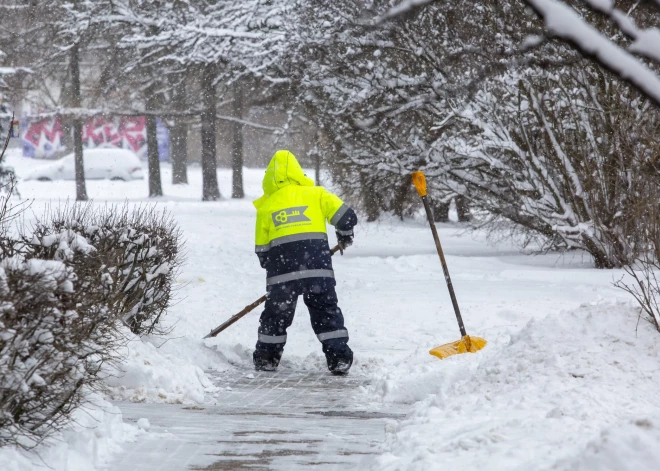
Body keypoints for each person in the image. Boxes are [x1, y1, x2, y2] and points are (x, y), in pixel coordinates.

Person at [253, 150, 358, 375]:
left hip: (281, 274)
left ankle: (266, 359)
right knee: (326, 313)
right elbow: (347, 216)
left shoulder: (267, 206)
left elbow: (261, 251)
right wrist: (345, 233)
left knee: (276, 316)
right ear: (297, 172)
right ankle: (339, 358)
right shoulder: (317, 194)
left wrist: (277, 270)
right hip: (318, 271)